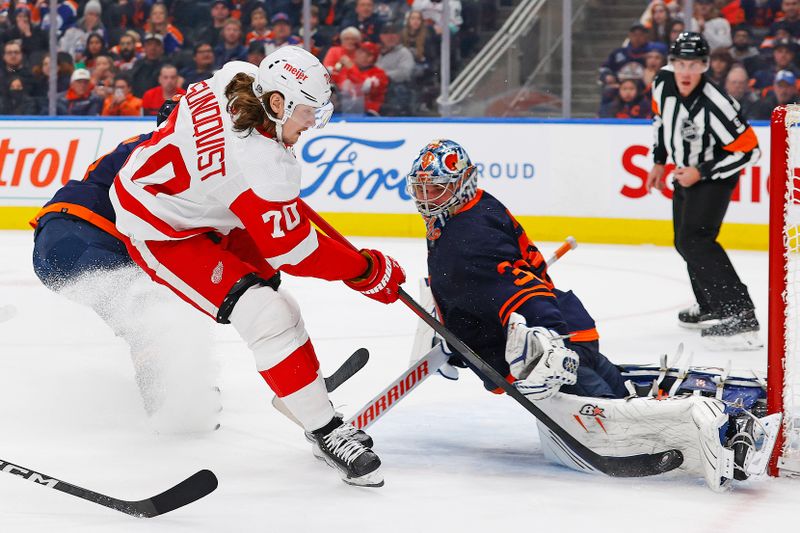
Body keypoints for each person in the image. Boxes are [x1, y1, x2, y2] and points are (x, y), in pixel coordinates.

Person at [404, 138, 775, 491]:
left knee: (611, 403)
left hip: (544, 345)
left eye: (435, 188)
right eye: (420, 189)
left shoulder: (466, 238)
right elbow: (494, 283)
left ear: (464, 183)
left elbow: (518, 291)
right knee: (611, 381)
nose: (425, 199)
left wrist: (549, 336)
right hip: (561, 326)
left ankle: (728, 428)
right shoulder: (473, 209)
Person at [109, 46, 405, 487]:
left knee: (269, 284)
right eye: (307, 112)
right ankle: (325, 431)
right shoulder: (261, 168)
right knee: (268, 313)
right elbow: (298, 251)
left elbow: (182, 106)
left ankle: (296, 390)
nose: (311, 123)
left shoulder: (238, 77)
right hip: (162, 230)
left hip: (201, 205)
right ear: (278, 103)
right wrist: (364, 270)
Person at [31, 99, 221, 434]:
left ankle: (173, 389)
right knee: (150, 310)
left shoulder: (147, 145)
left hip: (59, 242)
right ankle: (168, 401)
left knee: (140, 315)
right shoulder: (164, 153)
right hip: (84, 236)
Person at [646, 32, 761, 349]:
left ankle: (740, 312)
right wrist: (659, 161)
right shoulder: (662, 83)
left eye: (693, 65)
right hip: (684, 174)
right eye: (680, 63)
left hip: (715, 177)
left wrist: (703, 171)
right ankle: (711, 305)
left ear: (705, 65)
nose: (685, 72)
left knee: (696, 240)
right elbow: (660, 121)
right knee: (684, 241)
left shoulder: (717, 102)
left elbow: (750, 150)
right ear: (672, 64)